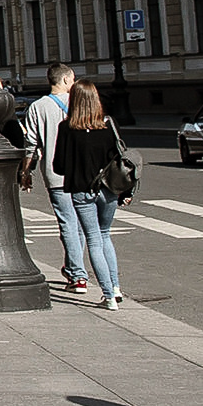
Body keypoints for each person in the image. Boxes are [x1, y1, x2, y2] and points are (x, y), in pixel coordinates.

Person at [51, 80, 130, 310]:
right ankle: (115, 287)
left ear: (74, 101)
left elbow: (59, 167)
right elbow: (119, 161)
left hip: (81, 190)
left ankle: (108, 296)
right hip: (108, 190)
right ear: (96, 100)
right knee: (105, 235)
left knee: (93, 239)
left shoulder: (66, 129)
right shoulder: (107, 125)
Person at [21, 63, 91, 296]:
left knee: (68, 223)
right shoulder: (81, 103)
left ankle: (76, 273)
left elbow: (31, 144)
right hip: (83, 173)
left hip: (56, 174)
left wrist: (26, 172)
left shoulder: (37, 107)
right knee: (79, 222)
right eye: (72, 78)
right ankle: (75, 270)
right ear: (66, 80)